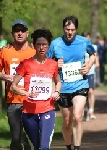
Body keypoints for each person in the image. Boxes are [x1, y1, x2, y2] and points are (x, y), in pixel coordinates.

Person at [47, 16, 97, 150]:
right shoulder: (55, 44)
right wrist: (55, 64)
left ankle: (77, 148)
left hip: (80, 84)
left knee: (77, 116)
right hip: (63, 87)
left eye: (73, 30)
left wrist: (89, 65)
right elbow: (46, 63)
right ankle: (68, 146)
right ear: (63, 28)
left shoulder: (83, 42)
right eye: (67, 29)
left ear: (76, 29)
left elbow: (93, 54)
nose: (70, 32)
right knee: (67, 122)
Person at [10, 29, 61, 150]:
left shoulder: (53, 64)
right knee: (37, 146)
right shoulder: (26, 64)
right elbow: (13, 86)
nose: (42, 47)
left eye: (45, 45)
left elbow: (58, 82)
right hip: (29, 112)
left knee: (44, 147)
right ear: (33, 45)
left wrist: (57, 92)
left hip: (47, 109)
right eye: (39, 44)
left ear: (49, 46)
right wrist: (27, 93)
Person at [0, 19, 36, 150]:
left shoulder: (34, 51)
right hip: (13, 99)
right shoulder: (5, 51)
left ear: (27, 33)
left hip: (32, 99)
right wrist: (5, 76)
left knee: (31, 136)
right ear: (12, 33)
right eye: (17, 31)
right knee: (16, 137)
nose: (20, 33)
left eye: (22, 30)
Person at [81, 31, 99, 121]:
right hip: (82, 73)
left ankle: (91, 110)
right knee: (84, 93)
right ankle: (85, 110)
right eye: (85, 38)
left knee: (91, 92)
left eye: (88, 37)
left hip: (91, 72)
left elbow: (96, 56)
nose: (87, 39)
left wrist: (96, 63)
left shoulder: (94, 47)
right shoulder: (80, 47)